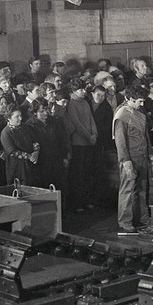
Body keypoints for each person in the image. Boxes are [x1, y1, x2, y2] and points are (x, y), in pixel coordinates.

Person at [113, 84, 153, 234]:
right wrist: (126, 161)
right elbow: (120, 141)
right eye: (139, 101)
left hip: (142, 156)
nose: (142, 104)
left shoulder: (138, 111)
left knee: (142, 190)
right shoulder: (122, 115)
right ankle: (125, 222)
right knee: (127, 191)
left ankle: (143, 219)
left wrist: (150, 154)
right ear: (129, 99)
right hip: (130, 159)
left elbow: (145, 135)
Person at [67, 78, 98, 213]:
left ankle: (86, 200)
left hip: (89, 143)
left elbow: (91, 119)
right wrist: (88, 136)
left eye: (84, 89)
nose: (83, 91)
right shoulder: (71, 104)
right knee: (78, 174)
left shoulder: (85, 102)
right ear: (73, 91)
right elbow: (76, 123)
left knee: (87, 172)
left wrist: (95, 134)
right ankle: (78, 203)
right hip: (78, 143)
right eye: (80, 89)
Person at [26, 100, 69, 190]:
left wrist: (64, 156)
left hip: (56, 160)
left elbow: (62, 139)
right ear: (34, 113)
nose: (46, 113)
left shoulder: (54, 121)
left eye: (46, 109)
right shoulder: (29, 126)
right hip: (42, 163)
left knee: (59, 187)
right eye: (42, 111)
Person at [0, 105, 40, 185]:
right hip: (17, 169)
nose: (20, 119)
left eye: (21, 116)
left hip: (31, 166)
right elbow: (12, 151)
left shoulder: (26, 127)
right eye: (17, 117)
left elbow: (35, 141)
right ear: (9, 118)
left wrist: (36, 152)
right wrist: (29, 156)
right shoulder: (6, 132)